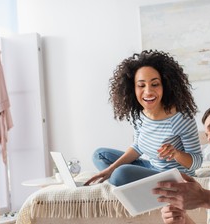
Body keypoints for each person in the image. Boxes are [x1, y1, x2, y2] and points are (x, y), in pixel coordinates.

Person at [85, 50, 202, 186]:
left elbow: (196, 163)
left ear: (165, 85)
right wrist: (110, 169)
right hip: (151, 168)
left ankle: (120, 180)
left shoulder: (181, 118)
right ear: (132, 89)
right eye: (141, 85)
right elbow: (138, 147)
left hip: (174, 176)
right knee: (99, 155)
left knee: (121, 173)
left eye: (155, 84)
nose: (148, 91)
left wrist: (176, 153)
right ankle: (117, 179)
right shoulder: (140, 115)